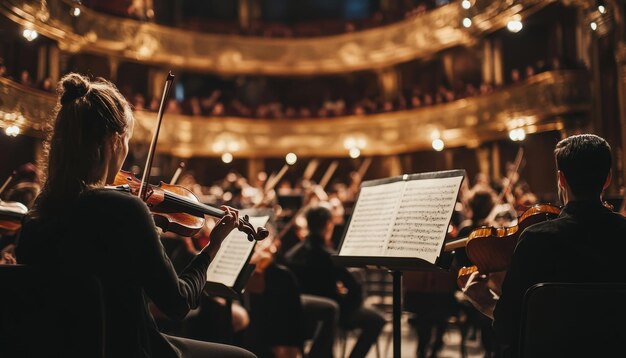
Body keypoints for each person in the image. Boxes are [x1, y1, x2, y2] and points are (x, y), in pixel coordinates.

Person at [15, 73, 256, 358]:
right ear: (115, 141)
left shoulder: (37, 213)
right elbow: (178, 303)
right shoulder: (124, 209)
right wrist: (212, 246)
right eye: (127, 140)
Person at [462, 134, 626, 357]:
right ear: (607, 179)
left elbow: (509, 327)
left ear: (561, 179)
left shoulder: (536, 240)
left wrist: (484, 300)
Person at [285, 204, 385, 358]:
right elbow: (354, 287)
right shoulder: (328, 256)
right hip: (331, 312)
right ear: (328, 224)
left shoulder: (292, 254)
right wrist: (350, 305)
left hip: (300, 315)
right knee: (377, 319)